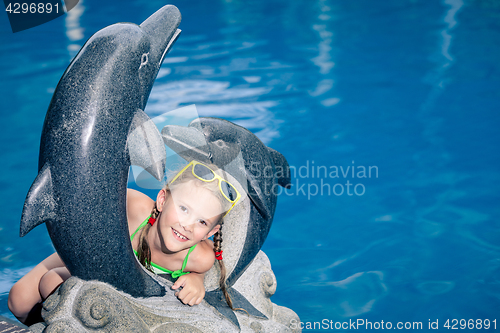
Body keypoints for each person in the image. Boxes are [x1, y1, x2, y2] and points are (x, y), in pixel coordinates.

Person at [8, 160, 241, 325]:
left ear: (212, 231)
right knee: (18, 301)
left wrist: (197, 279)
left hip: (113, 284)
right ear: (162, 200)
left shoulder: (200, 258)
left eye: (201, 221)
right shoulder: (133, 205)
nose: (187, 225)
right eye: (183, 209)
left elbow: (202, 270)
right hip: (94, 252)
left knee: (51, 281)